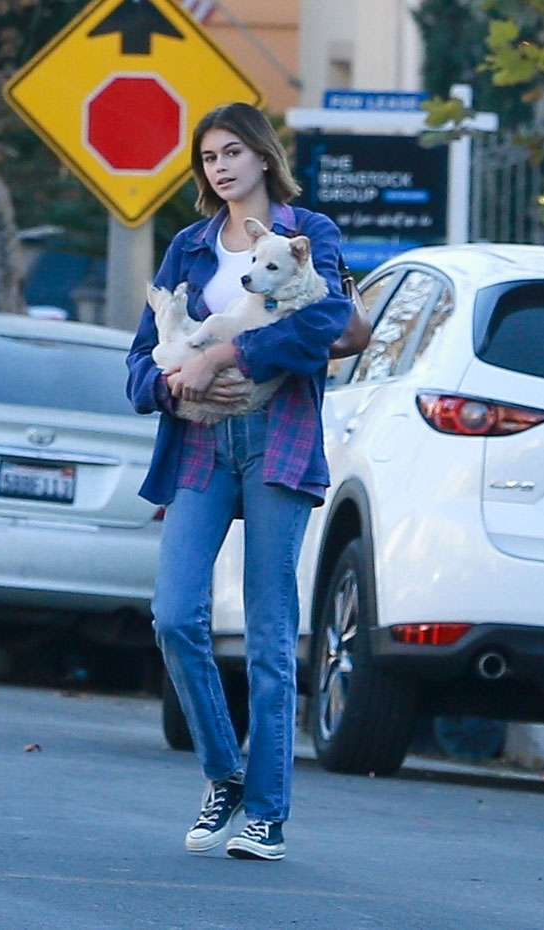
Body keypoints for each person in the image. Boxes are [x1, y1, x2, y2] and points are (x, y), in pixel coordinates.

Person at [126, 102, 351, 861]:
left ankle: (267, 815)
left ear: (261, 156)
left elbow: (324, 324)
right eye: (207, 158)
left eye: (230, 152)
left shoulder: (307, 234)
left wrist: (222, 359)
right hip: (198, 446)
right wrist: (173, 385)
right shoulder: (188, 249)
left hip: (278, 438)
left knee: (269, 633)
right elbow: (136, 367)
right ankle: (225, 773)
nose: (218, 167)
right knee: (174, 616)